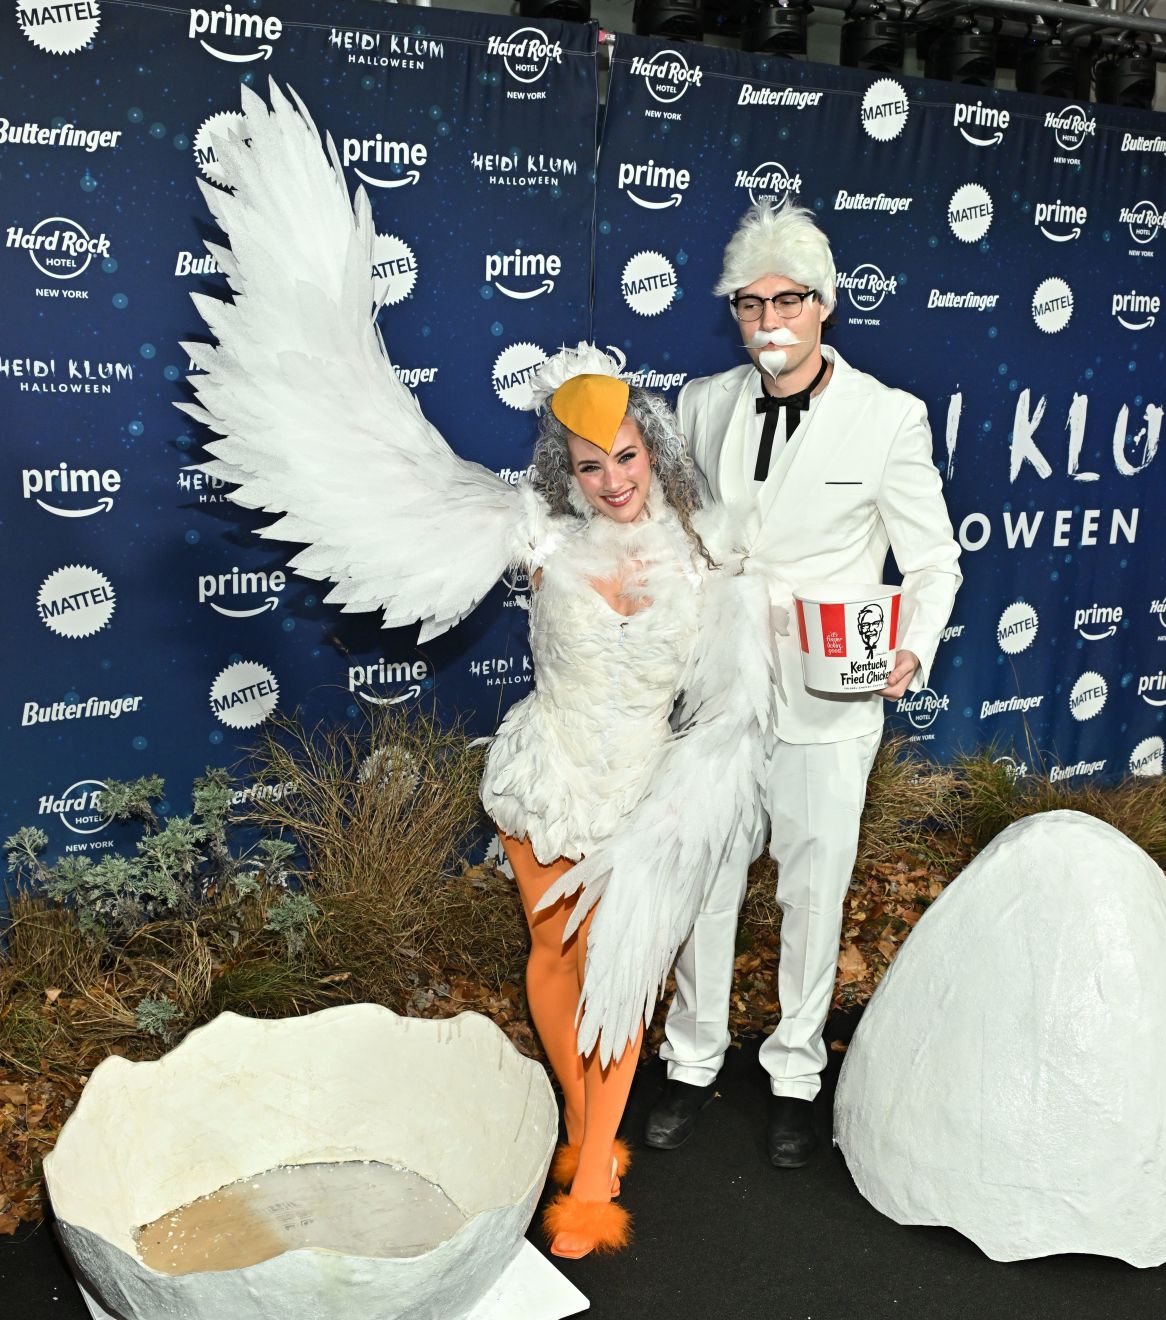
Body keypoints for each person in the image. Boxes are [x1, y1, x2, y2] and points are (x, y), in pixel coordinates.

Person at [179, 85, 770, 1260]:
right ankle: (580, 1116)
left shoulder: (712, 552)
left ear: (657, 447)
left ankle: (595, 1158)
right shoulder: (533, 530)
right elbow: (374, 460)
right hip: (551, 772)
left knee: (630, 966)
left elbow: (740, 683)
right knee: (558, 958)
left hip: (647, 788)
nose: (615, 480)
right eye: (592, 462)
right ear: (568, 464)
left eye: (631, 455)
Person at [644, 202, 963, 1167]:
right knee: (705, 879)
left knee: (814, 888)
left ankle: (795, 1072)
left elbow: (935, 560)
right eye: (749, 304)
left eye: (787, 300)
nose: (768, 320)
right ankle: (690, 1058)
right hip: (718, 692)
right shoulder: (701, 404)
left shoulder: (886, 416)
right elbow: (675, 535)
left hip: (831, 695)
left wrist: (913, 645)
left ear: (824, 305)